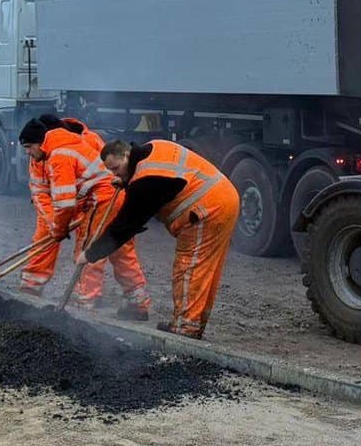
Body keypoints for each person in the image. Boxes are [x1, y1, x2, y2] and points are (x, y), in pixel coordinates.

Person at [84, 139, 239, 340]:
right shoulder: (151, 149)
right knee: (205, 270)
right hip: (222, 197)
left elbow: (123, 227)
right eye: (111, 171)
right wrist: (126, 182)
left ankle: (185, 331)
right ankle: (193, 324)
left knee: (189, 268)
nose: (115, 174)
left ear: (127, 156)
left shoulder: (146, 180)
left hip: (207, 209)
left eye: (117, 168)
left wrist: (90, 254)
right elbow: (164, 181)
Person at [19, 118, 152, 320]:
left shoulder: (59, 154)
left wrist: (59, 229)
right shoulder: (61, 147)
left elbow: (65, 203)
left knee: (89, 249)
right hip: (110, 197)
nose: (27, 152)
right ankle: (137, 302)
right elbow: (57, 193)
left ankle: (85, 305)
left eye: (29, 147)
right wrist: (57, 225)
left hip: (102, 200)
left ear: (41, 140)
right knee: (119, 250)